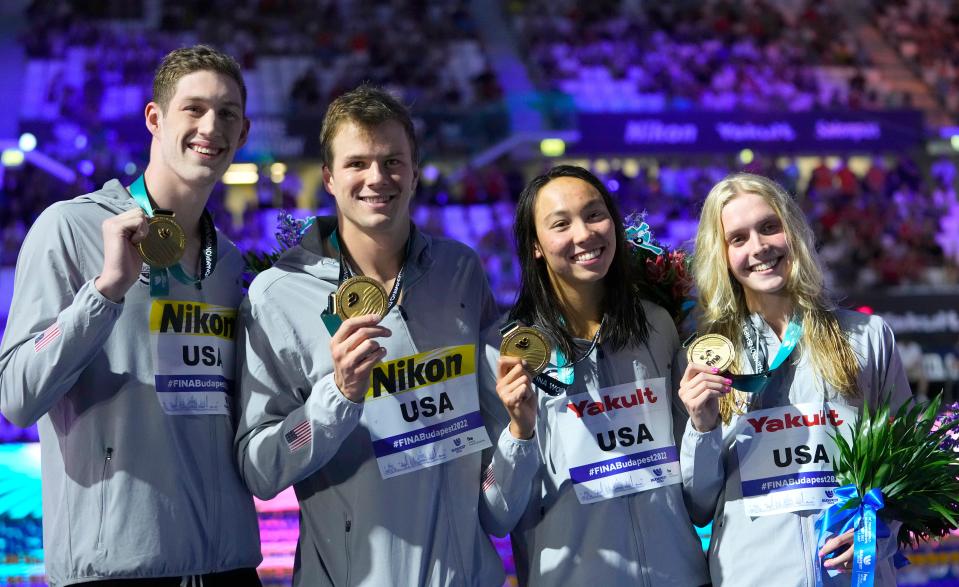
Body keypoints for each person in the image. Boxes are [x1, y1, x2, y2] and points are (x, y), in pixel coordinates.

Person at [235, 84, 535, 586]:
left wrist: (519, 437)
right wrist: (336, 398)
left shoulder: (459, 270)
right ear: (328, 178)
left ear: (415, 173)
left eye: (393, 161)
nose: (377, 178)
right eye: (357, 163)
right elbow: (260, 469)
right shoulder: (278, 295)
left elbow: (488, 442)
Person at [0, 45, 262, 585]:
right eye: (193, 108)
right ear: (154, 118)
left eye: (227, 114)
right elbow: (17, 396)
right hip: (119, 569)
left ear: (242, 134)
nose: (210, 126)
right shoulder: (70, 230)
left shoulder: (229, 262)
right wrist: (105, 292)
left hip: (229, 566)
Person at [479, 165, 709, 586]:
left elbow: (697, 493)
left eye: (594, 214)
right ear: (535, 246)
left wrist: (704, 426)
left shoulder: (656, 326)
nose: (584, 234)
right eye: (561, 224)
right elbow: (497, 514)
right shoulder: (505, 350)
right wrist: (519, 431)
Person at [678, 172, 911, 586]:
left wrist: (878, 536)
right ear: (723, 254)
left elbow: (906, 469)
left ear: (794, 232)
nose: (759, 247)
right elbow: (697, 505)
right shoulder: (705, 358)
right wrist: (701, 426)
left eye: (770, 227)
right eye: (738, 238)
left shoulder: (867, 337)